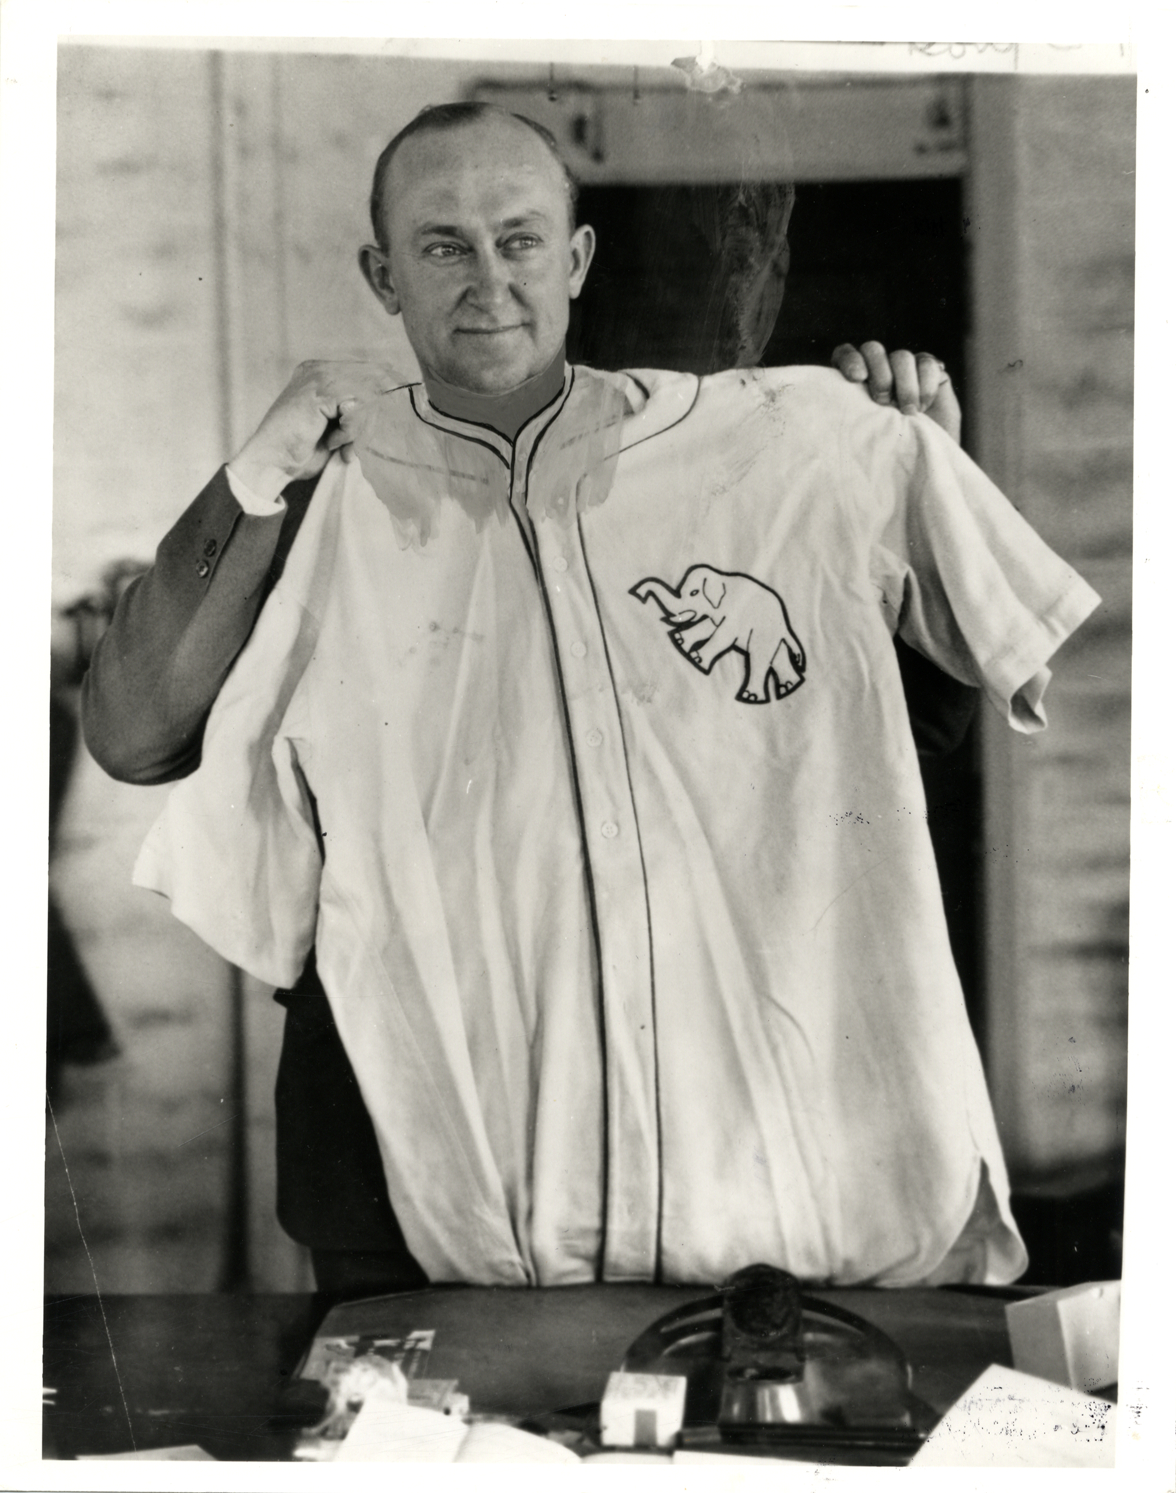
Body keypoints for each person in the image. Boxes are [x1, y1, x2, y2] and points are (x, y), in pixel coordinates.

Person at [83, 103, 1097, 1297]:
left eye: (519, 241)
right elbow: (133, 733)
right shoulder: (316, 501)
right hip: (413, 1154)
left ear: (575, 261)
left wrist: (908, 488)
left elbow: (867, 748)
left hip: (729, 1134)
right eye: (444, 245)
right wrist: (255, 476)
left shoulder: (769, 457)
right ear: (383, 275)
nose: (488, 280)